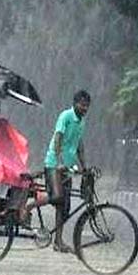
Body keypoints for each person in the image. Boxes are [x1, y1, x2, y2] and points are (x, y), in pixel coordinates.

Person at [43, 90, 90, 253]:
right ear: (75, 103)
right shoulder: (66, 116)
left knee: (64, 207)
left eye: (87, 106)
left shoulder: (82, 122)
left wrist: (84, 167)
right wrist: (59, 161)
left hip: (68, 168)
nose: (85, 108)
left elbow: (79, 145)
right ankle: (29, 207)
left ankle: (58, 242)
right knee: (57, 198)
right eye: (82, 105)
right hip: (54, 164)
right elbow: (58, 138)